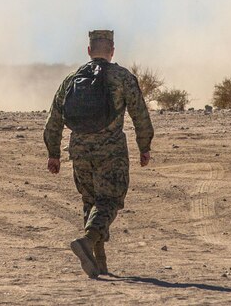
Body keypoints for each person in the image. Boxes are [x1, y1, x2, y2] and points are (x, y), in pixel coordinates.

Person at [43, 29, 154, 278]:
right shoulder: (123, 77)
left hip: (79, 152)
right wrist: (144, 147)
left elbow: (54, 119)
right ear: (112, 51)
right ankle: (87, 241)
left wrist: (53, 154)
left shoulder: (72, 79)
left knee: (90, 202)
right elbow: (140, 115)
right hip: (111, 151)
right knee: (109, 201)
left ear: (89, 51)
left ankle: (98, 264)